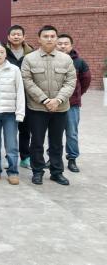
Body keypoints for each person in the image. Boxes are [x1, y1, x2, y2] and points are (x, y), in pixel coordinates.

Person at [21, 25, 76, 186]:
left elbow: (70, 82)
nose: (49, 39)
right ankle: (37, 171)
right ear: (39, 39)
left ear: (56, 38)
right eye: (46, 36)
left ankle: (56, 172)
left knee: (56, 142)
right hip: (37, 108)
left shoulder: (66, 59)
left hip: (60, 108)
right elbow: (27, 81)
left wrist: (58, 100)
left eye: (52, 36)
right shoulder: (29, 59)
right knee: (37, 142)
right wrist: (45, 100)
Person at [0, 42, 26, 185]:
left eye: (2, 52)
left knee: (11, 145)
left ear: (6, 54)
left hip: (10, 113)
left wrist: (20, 113)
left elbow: (20, 92)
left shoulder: (14, 70)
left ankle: (13, 172)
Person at [56, 34, 91, 173]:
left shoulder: (79, 62)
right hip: (54, 104)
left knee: (72, 133)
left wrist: (77, 94)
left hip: (72, 105)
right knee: (54, 133)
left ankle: (72, 159)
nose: (63, 46)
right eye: (60, 43)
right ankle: (53, 158)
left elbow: (86, 81)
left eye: (66, 44)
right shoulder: (50, 60)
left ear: (71, 45)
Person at [5, 24, 34, 170]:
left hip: (27, 96)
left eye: (19, 34)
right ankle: (9, 157)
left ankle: (25, 157)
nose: (16, 36)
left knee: (25, 129)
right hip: (7, 96)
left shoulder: (31, 53)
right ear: (8, 37)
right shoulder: (2, 51)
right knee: (9, 130)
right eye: (13, 34)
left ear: (24, 37)